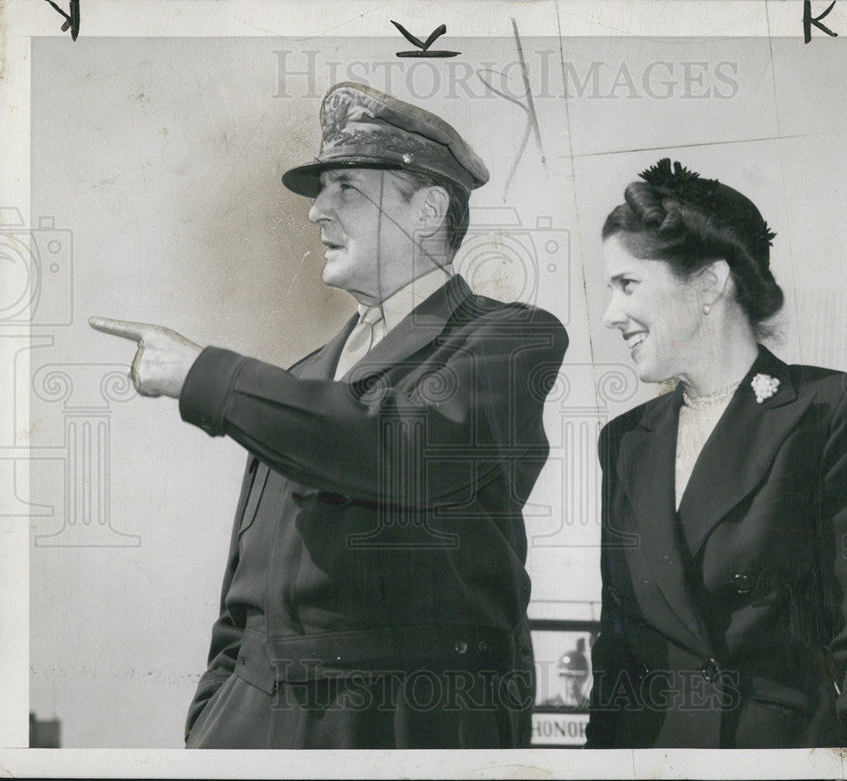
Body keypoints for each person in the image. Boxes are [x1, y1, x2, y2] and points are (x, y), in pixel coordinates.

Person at [89, 82, 568, 749]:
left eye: (345, 187)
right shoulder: (302, 378)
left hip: (397, 729)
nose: (317, 212)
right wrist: (214, 716)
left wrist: (206, 375)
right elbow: (244, 593)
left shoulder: (510, 338)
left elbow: (400, 447)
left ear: (428, 208)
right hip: (253, 726)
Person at [584, 159, 847, 748]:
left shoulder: (836, 411)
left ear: (711, 284)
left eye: (627, 284)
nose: (610, 315)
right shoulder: (625, 441)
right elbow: (619, 658)